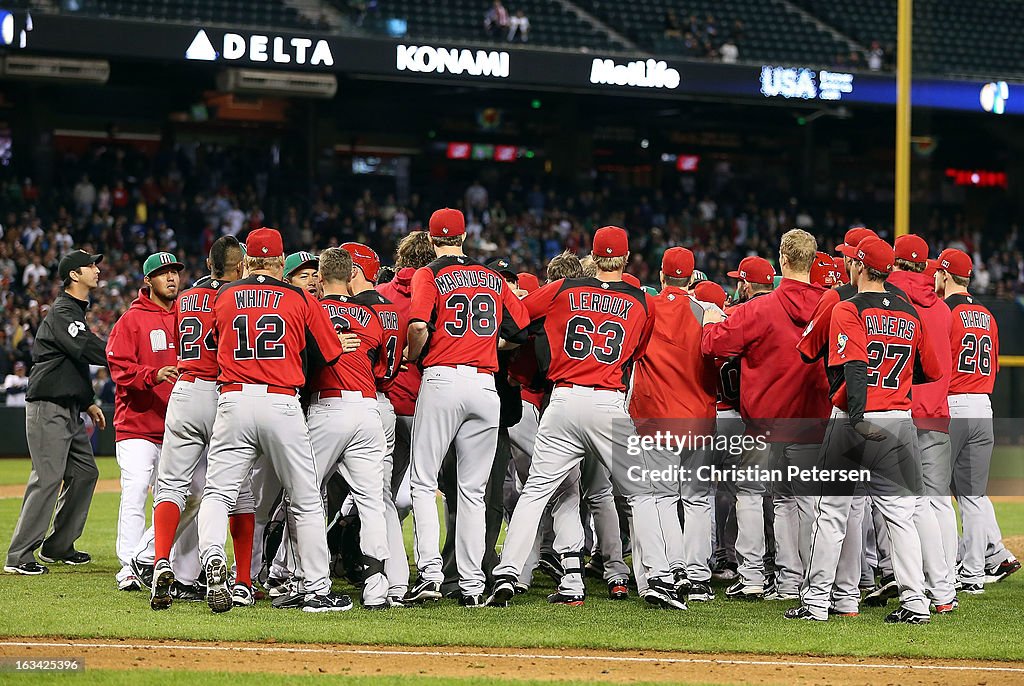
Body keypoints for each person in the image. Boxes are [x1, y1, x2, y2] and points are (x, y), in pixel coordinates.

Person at [488, 226, 686, 610]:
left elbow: (519, 313)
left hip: (562, 399)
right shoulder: (642, 301)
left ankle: (508, 573)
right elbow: (635, 353)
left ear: (592, 257)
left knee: (535, 492)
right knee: (640, 493)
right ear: (626, 260)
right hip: (607, 400)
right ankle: (658, 578)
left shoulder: (565, 288)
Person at [195, 227, 356, 613]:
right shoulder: (298, 296)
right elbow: (329, 350)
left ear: (249, 261)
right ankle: (316, 589)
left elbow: (212, 345)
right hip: (282, 402)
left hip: (233, 399)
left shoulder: (224, 295)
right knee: (304, 497)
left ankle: (215, 558)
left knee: (218, 493)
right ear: (281, 262)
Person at [787, 235, 941, 624]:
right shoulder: (909, 311)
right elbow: (932, 370)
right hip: (900, 420)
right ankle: (916, 604)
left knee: (833, 513)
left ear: (857, 265)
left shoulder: (848, 308)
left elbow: (854, 366)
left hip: (859, 418)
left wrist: (856, 419)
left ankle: (818, 603)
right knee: (901, 517)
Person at [404, 208, 529, 607]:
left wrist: (414, 354)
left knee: (423, 482)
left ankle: (429, 575)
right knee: (473, 490)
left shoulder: (429, 274)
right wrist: (486, 346)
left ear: (432, 237)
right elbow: (519, 332)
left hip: (442, 378)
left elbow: (420, 325)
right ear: (464, 237)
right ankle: (473, 584)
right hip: (483, 384)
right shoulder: (492, 277)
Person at [702, 232, 831, 601]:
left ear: (782, 260)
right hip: (811, 421)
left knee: (753, 496)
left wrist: (711, 320)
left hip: (763, 424)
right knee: (807, 504)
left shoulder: (760, 308)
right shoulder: (831, 305)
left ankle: (758, 576)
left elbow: (713, 344)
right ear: (812, 260)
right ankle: (811, 584)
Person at [148, 236, 258, 610]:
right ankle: (241, 579)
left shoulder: (186, 297)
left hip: (185, 389)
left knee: (171, 486)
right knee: (236, 490)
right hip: (224, 392)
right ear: (239, 265)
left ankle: (161, 559)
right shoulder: (239, 296)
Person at [5, 250, 107, 575]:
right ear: (74, 275)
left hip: (69, 407)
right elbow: (85, 349)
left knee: (86, 473)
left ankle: (58, 545)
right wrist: (126, 353)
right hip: (48, 406)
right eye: (90, 265)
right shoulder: (63, 310)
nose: (96, 269)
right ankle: (19, 556)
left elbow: (72, 363)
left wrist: (88, 400)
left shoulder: (74, 312)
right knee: (48, 478)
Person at [630, 247, 719, 601]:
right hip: (698, 416)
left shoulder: (647, 308)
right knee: (698, 500)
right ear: (693, 275)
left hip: (656, 415)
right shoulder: (708, 312)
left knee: (663, 498)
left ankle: (672, 569)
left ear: (662, 275)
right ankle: (696, 575)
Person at [935, 248, 1020, 590]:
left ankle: (944, 566)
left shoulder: (944, 310)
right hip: (983, 407)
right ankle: (973, 572)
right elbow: (995, 366)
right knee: (972, 495)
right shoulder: (987, 313)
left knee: (936, 493)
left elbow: (938, 363)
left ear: (944, 274)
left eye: (938, 274)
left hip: (954, 405)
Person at [106, 252, 184, 591]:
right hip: (137, 424)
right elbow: (119, 369)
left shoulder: (187, 316)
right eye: (163, 273)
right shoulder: (131, 320)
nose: (171, 278)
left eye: (175, 272)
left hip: (177, 425)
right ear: (148, 281)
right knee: (136, 489)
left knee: (182, 496)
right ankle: (127, 566)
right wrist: (153, 375)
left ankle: (148, 555)